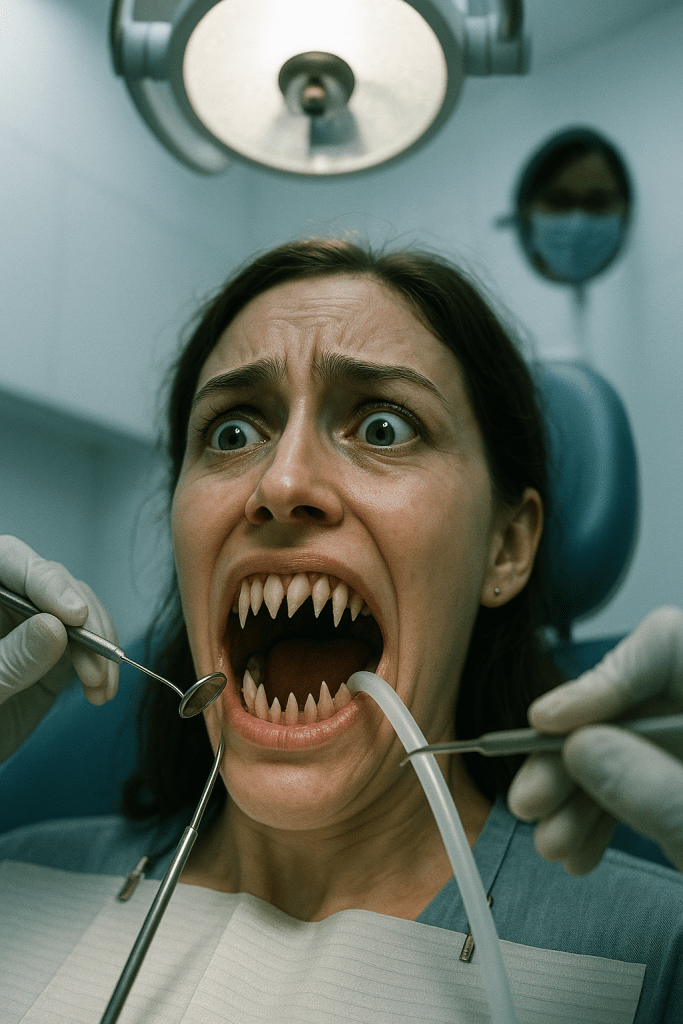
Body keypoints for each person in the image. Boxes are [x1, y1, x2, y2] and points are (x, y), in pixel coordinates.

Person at [0, 239, 682, 1022]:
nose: (281, 483)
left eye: (385, 427)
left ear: (506, 546)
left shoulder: (657, 954)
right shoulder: (16, 879)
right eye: (230, 433)